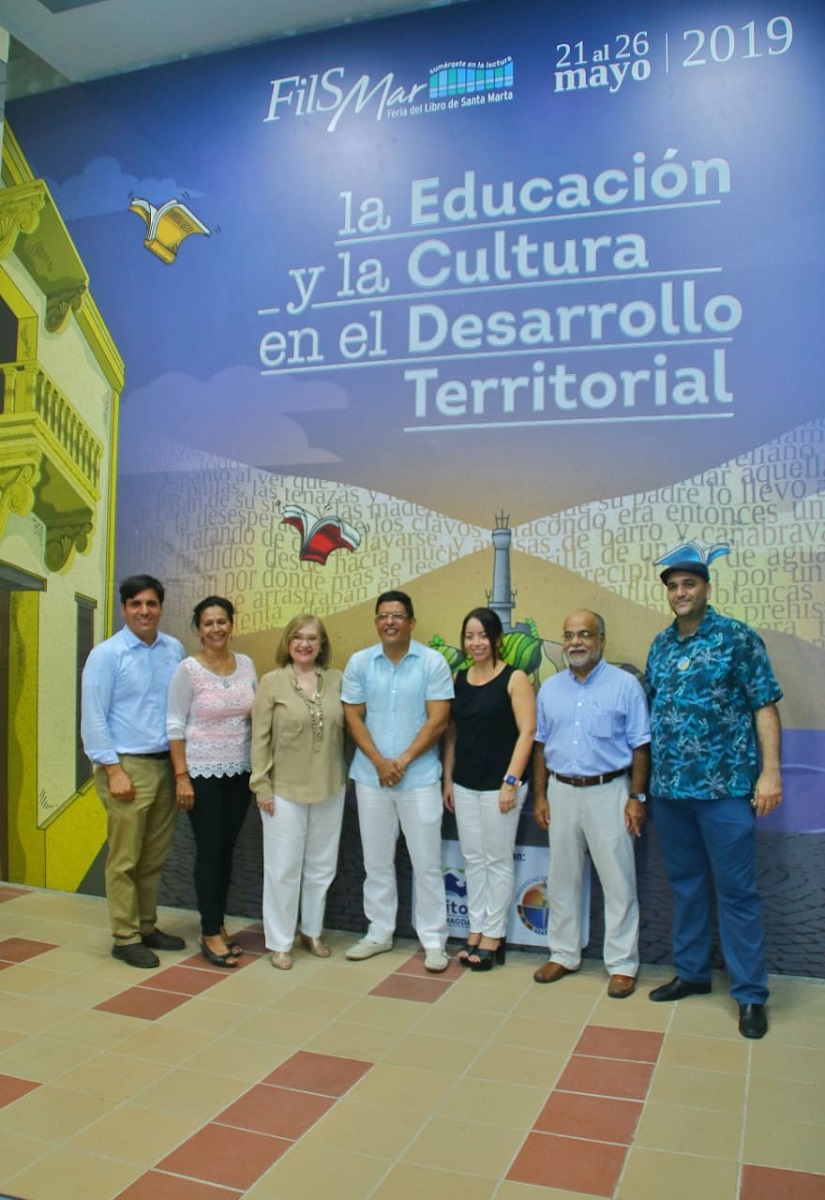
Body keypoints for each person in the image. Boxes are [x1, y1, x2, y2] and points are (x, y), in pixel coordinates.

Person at [645, 561, 783, 1039]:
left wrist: (770, 773)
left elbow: (764, 704)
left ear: (706, 588)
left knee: (737, 893)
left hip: (725, 790)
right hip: (670, 791)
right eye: (673, 587)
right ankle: (692, 973)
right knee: (685, 885)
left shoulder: (737, 638)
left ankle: (749, 994)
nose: (680, 593)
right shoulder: (661, 645)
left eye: (689, 584)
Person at [532, 610, 650, 998]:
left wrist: (636, 796)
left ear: (602, 639)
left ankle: (621, 964)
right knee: (563, 878)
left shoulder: (625, 686)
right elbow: (539, 744)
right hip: (561, 790)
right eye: (568, 635)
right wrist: (539, 794)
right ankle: (563, 953)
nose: (575, 643)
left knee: (618, 880)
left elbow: (640, 746)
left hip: (610, 792)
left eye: (584, 634)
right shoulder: (550, 687)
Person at [342, 590, 454, 972]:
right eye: (384, 615)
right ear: (377, 622)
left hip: (419, 778)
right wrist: (379, 761)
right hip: (371, 779)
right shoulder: (360, 662)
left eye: (398, 615)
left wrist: (402, 761)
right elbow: (353, 716)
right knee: (376, 861)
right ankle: (379, 932)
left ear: (412, 622)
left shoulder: (432, 662)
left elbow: (438, 720)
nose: (390, 621)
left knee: (427, 863)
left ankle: (435, 941)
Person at [81, 574, 185, 968]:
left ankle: (145, 925)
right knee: (124, 859)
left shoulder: (173, 649)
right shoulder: (107, 655)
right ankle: (124, 937)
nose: (144, 611)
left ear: (161, 607)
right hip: (125, 766)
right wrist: (113, 769)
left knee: (153, 857)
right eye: (136, 604)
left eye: (151, 604)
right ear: (124, 608)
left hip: (164, 764)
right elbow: (93, 717)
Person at [250, 613, 346, 970]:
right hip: (283, 791)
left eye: (311, 638)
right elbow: (259, 739)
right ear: (288, 643)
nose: (304, 644)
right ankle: (279, 941)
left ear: (322, 645)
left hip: (329, 787)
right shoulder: (272, 682)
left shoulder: (336, 680)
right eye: (297, 638)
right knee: (283, 868)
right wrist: (261, 785)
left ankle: (312, 930)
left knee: (321, 867)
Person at [442, 607, 536, 971]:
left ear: (496, 640)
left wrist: (510, 781)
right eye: (469, 636)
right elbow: (452, 734)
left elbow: (527, 732)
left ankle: (494, 936)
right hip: (465, 784)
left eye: (482, 635)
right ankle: (476, 929)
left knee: (497, 861)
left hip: (502, 786)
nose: (475, 642)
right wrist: (448, 780)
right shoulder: (458, 679)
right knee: (474, 859)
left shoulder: (515, 679)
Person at [167, 596, 256, 968]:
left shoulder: (247, 664)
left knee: (227, 849)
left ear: (231, 625)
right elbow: (174, 723)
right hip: (201, 774)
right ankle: (209, 930)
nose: (216, 629)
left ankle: (217, 924)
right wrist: (182, 777)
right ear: (198, 629)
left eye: (222, 621)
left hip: (240, 773)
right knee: (210, 849)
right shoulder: (188, 669)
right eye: (208, 623)